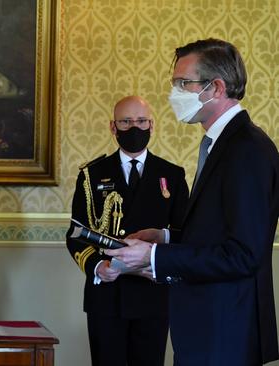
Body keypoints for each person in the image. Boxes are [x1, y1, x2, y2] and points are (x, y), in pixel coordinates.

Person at [106, 38, 279, 365]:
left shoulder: (247, 150)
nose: (175, 93)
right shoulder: (223, 143)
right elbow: (218, 232)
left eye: (183, 83)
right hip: (208, 327)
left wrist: (156, 256)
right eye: (174, 83)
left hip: (225, 330)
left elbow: (243, 255)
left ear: (216, 87)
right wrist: (166, 237)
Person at [66, 96, 189, 366]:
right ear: (113, 127)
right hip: (107, 295)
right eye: (126, 121)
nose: (135, 127)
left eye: (141, 121)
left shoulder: (172, 175)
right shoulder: (92, 174)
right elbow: (75, 233)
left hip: (153, 294)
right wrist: (97, 266)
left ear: (152, 125)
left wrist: (159, 258)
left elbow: (184, 235)